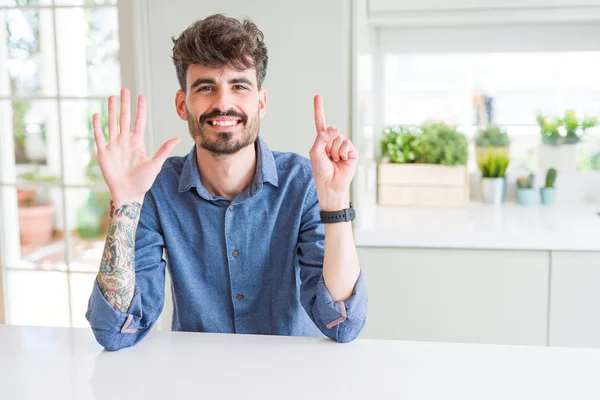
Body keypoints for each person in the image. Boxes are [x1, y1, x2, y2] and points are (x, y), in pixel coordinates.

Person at [85, 14, 367, 351]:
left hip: (291, 380)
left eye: (239, 86)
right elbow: (116, 333)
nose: (223, 103)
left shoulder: (305, 182)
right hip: (197, 379)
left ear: (260, 103)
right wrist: (126, 204)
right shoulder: (154, 189)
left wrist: (335, 200)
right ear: (182, 103)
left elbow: (342, 324)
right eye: (206, 87)